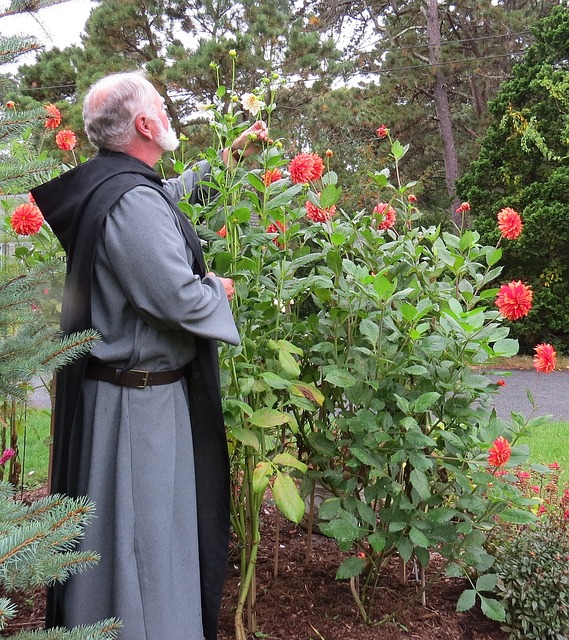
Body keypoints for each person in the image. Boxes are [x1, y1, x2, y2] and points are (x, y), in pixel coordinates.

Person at [31, 71, 268, 640]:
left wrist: (231, 159)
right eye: (161, 104)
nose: (168, 111)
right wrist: (218, 290)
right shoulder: (130, 200)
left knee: (129, 539)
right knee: (145, 543)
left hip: (133, 398)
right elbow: (173, 296)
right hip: (138, 408)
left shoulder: (120, 187)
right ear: (143, 123)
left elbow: (171, 201)